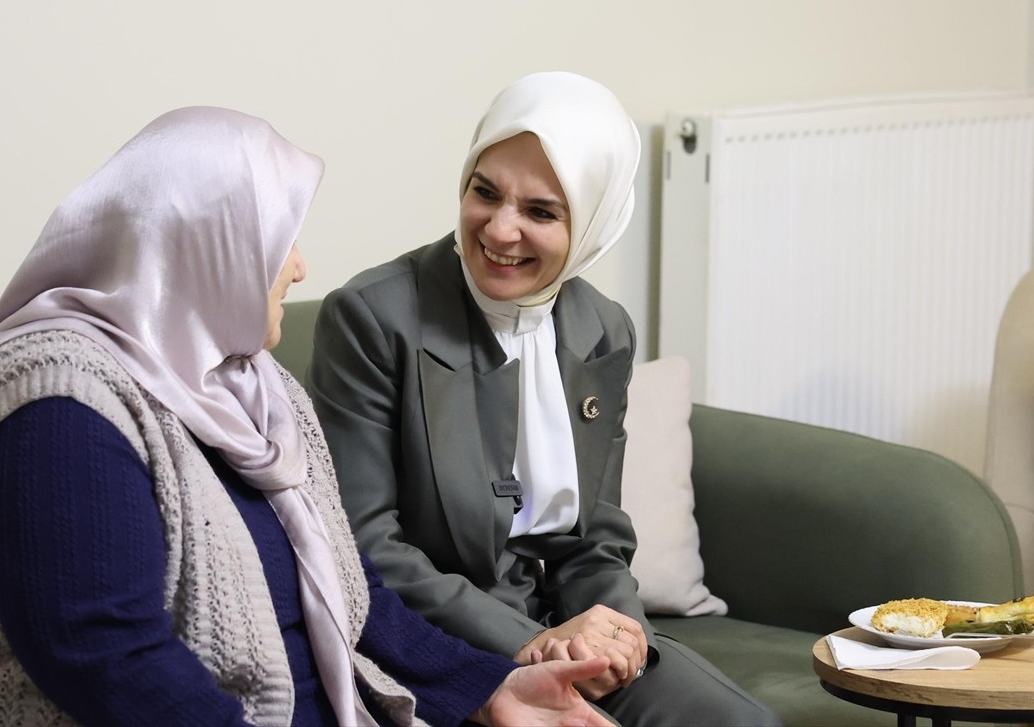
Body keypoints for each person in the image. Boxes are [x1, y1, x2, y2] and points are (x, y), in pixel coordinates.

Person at [0, 106, 616, 727]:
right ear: (200, 244)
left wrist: (488, 688)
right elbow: (112, 667)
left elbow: (350, 585)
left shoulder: (251, 384)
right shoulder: (53, 408)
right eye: (278, 240)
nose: (299, 266)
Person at [307, 72, 781, 726]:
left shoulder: (602, 331)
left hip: (570, 631)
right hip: (440, 646)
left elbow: (597, 536)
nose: (500, 231)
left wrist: (616, 633)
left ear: (591, 222)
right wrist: (525, 643)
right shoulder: (373, 317)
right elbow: (365, 544)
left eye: (540, 212)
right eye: (485, 192)